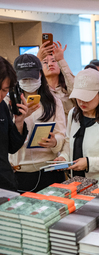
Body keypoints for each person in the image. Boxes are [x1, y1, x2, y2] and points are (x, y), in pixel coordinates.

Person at [8, 54, 66, 192]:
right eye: (24, 78)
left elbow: (61, 133)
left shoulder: (54, 101)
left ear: (40, 74)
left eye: (32, 77)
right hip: (19, 171)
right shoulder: (7, 102)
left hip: (49, 170)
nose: (29, 81)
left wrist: (54, 142)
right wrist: (19, 119)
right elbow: (7, 140)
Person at [55, 68, 99, 181]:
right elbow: (69, 142)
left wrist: (89, 163)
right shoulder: (73, 114)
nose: (82, 101)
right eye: (79, 97)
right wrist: (63, 157)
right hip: (76, 182)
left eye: (87, 97)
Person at [0, 56, 32, 191]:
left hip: (5, 184)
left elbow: (11, 147)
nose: (0, 95)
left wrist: (19, 122)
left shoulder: (2, 106)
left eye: (4, 90)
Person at [38, 41, 76, 119]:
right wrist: (37, 60)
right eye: (45, 62)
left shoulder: (67, 88)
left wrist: (61, 60)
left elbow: (76, 92)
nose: (50, 64)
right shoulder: (40, 91)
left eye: (53, 61)